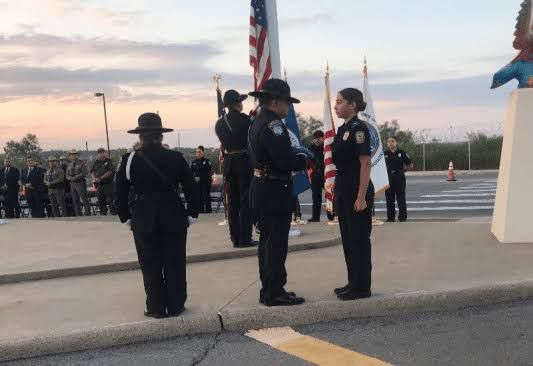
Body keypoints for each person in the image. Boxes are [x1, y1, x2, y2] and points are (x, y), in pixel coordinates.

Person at [114, 112, 198, 318]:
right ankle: (176, 304)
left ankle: (156, 306)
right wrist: (191, 214)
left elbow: (120, 192)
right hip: (173, 214)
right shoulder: (175, 157)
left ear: (140, 137)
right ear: (161, 136)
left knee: (150, 263)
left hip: (143, 216)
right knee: (175, 262)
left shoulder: (129, 160)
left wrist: (125, 217)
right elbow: (191, 189)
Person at [248, 78, 313, 307]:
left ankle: (270, 288)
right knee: (275, 244)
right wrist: (304, 160)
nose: (289, 107)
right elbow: (284, 161)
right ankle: (274, 291)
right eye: (287, 102)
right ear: (275, 101)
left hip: (265, 187)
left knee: (268, 243)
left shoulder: (259, 121)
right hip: (274, 190)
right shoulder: (273, 125)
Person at [331, 87, 374, 301]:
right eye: (336, 102)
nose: (335, 106)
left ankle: (362, 286)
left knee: (358, 239)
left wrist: (361, 196)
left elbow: (365, 162)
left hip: (357, 186)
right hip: (344, 186)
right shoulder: (343, 129)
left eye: (340, 101)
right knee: (348, 238)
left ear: (353, 105)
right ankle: (352, 282)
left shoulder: (359, 129)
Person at [214, 89, 257, 248]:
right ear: (237, 104)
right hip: (244, 161)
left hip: (229, 162)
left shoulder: (219, 123)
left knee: (232, 202)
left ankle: (235, 237)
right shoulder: (246, 120)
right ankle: (245, 237)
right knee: (246, 201)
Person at [384, 136, 413, 222]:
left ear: (396, 142)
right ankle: (390, 218)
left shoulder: (401, 153)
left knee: (401, 199)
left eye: (393, 141)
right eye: (389, 141)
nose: (391, 143)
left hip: (399, 179)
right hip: (388, 180)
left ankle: (402, 217)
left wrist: (404, 171)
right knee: (389, 200)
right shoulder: (384, 154)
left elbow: (410, 164)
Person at [90, 148, 116, 215]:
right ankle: (103, 214)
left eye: (102, 152)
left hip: (108, 184)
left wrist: (101, 178)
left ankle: (113, 214)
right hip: (99, 185)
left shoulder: (108, 161)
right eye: (99, 153)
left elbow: (110, 172)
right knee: (101, 201)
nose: (101, 154)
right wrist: (94, 178)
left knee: (111, 201)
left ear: (104, 153)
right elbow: (92, 171)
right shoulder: (96, 162)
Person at [66, 149, 91, 216]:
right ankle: (78, 215)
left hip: (80, 183)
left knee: (84, 199)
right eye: (72, 154)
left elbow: (84, 172)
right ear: (70, 156)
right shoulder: (69, 164)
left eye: (74, 154)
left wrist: (76, 177)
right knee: (75, 200)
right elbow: (67, 175)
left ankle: (88, 214)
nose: (73, 156)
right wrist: (70, 178)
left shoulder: (82, 163)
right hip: (72, 184)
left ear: (77, 155)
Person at [307, 130, 325, 222]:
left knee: (330, 196)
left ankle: (332, 216)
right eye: (315, 138)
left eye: (319, 138)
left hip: (326, 174)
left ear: (323, 138)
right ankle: (315, 217)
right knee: (316, 196)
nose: (317, 140)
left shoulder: (326, 147)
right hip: (315, 175)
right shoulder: (310, 148)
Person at [191, 145, 213, 213]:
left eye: (199, 152)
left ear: (203, 153)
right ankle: (201, 213)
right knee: (199, 201)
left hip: (205, 184)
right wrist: (194, 178)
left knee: (207, 200)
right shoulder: (194, 162)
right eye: (196, 152)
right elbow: (191, 173)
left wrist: (201, 178)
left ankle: (209, 213)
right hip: (197, 185)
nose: (198, 153)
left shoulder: (207, 162)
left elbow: (209, 173)